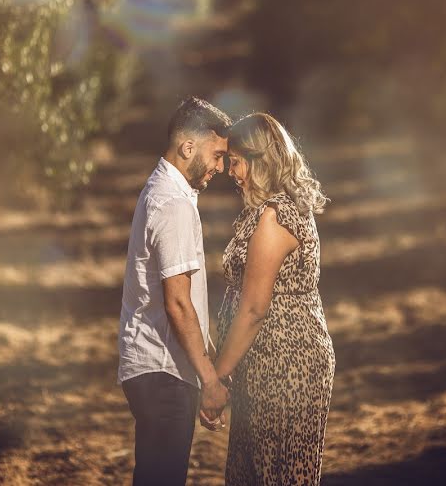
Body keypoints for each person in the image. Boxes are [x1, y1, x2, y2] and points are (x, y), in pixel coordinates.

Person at [211, 112, 336, 485]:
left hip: (284, 366)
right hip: (266, 362)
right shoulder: (272, 209)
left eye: (235, 162)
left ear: (258, 160)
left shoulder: (274, 217)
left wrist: (217, 379)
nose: (230, 172)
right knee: (259, 471)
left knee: (277, 473)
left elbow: (252, 310)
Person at [117, 96, 232, 486]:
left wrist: (207, 363)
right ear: (188, 147)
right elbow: (178, 303)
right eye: (217, 155)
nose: (221, 166)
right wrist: (210, 381)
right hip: (163, 372)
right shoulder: (173, 204)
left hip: (155, 369)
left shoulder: (164, 192)